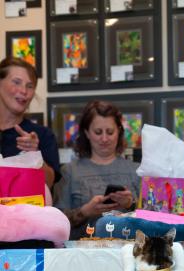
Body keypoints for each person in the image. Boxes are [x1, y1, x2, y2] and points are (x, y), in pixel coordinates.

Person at [54, 100, 140, 240]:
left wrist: (130, 205)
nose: (104, 139)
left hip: (128, 253)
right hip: (82, 254)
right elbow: (55, 222)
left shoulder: (137, 171)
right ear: (87, 133)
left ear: (119, 131)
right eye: (98, 132)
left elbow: (154, 219)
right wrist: (84, 212)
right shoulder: (70, 171)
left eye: (110, 132)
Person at [0, 57, 60, 188]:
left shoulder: (43, 135)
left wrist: (34, 155)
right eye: (16, 82)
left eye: (30, 86)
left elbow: (49, 184)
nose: (24, 91)